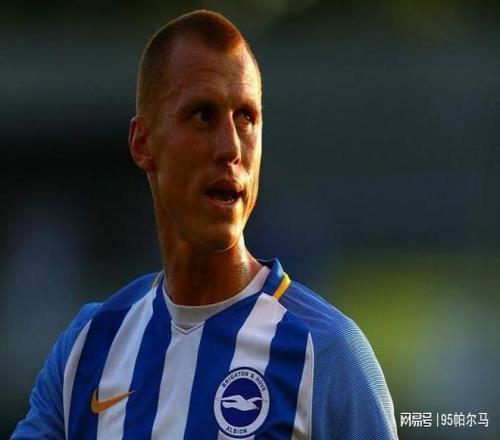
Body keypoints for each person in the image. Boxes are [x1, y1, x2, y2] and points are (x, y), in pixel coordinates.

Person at [12, 10, 398, 440]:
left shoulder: (327, 354)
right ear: (143, 143)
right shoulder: (89, 348)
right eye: (203, 116)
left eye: (246, 117)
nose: (231, 147)